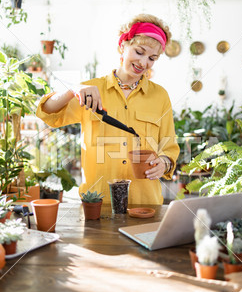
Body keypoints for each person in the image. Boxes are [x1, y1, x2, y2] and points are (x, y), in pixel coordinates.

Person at [36, 14, 179, 205]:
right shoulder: (89, 89)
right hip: (97, 203)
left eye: (152, 58)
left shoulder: (160, 96)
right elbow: (47, 113)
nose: (144, 63)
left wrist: (164, 163)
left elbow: (168, 148)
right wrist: (73, 89)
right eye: (139, 52)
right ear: (122, 46)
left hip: (146, 204)